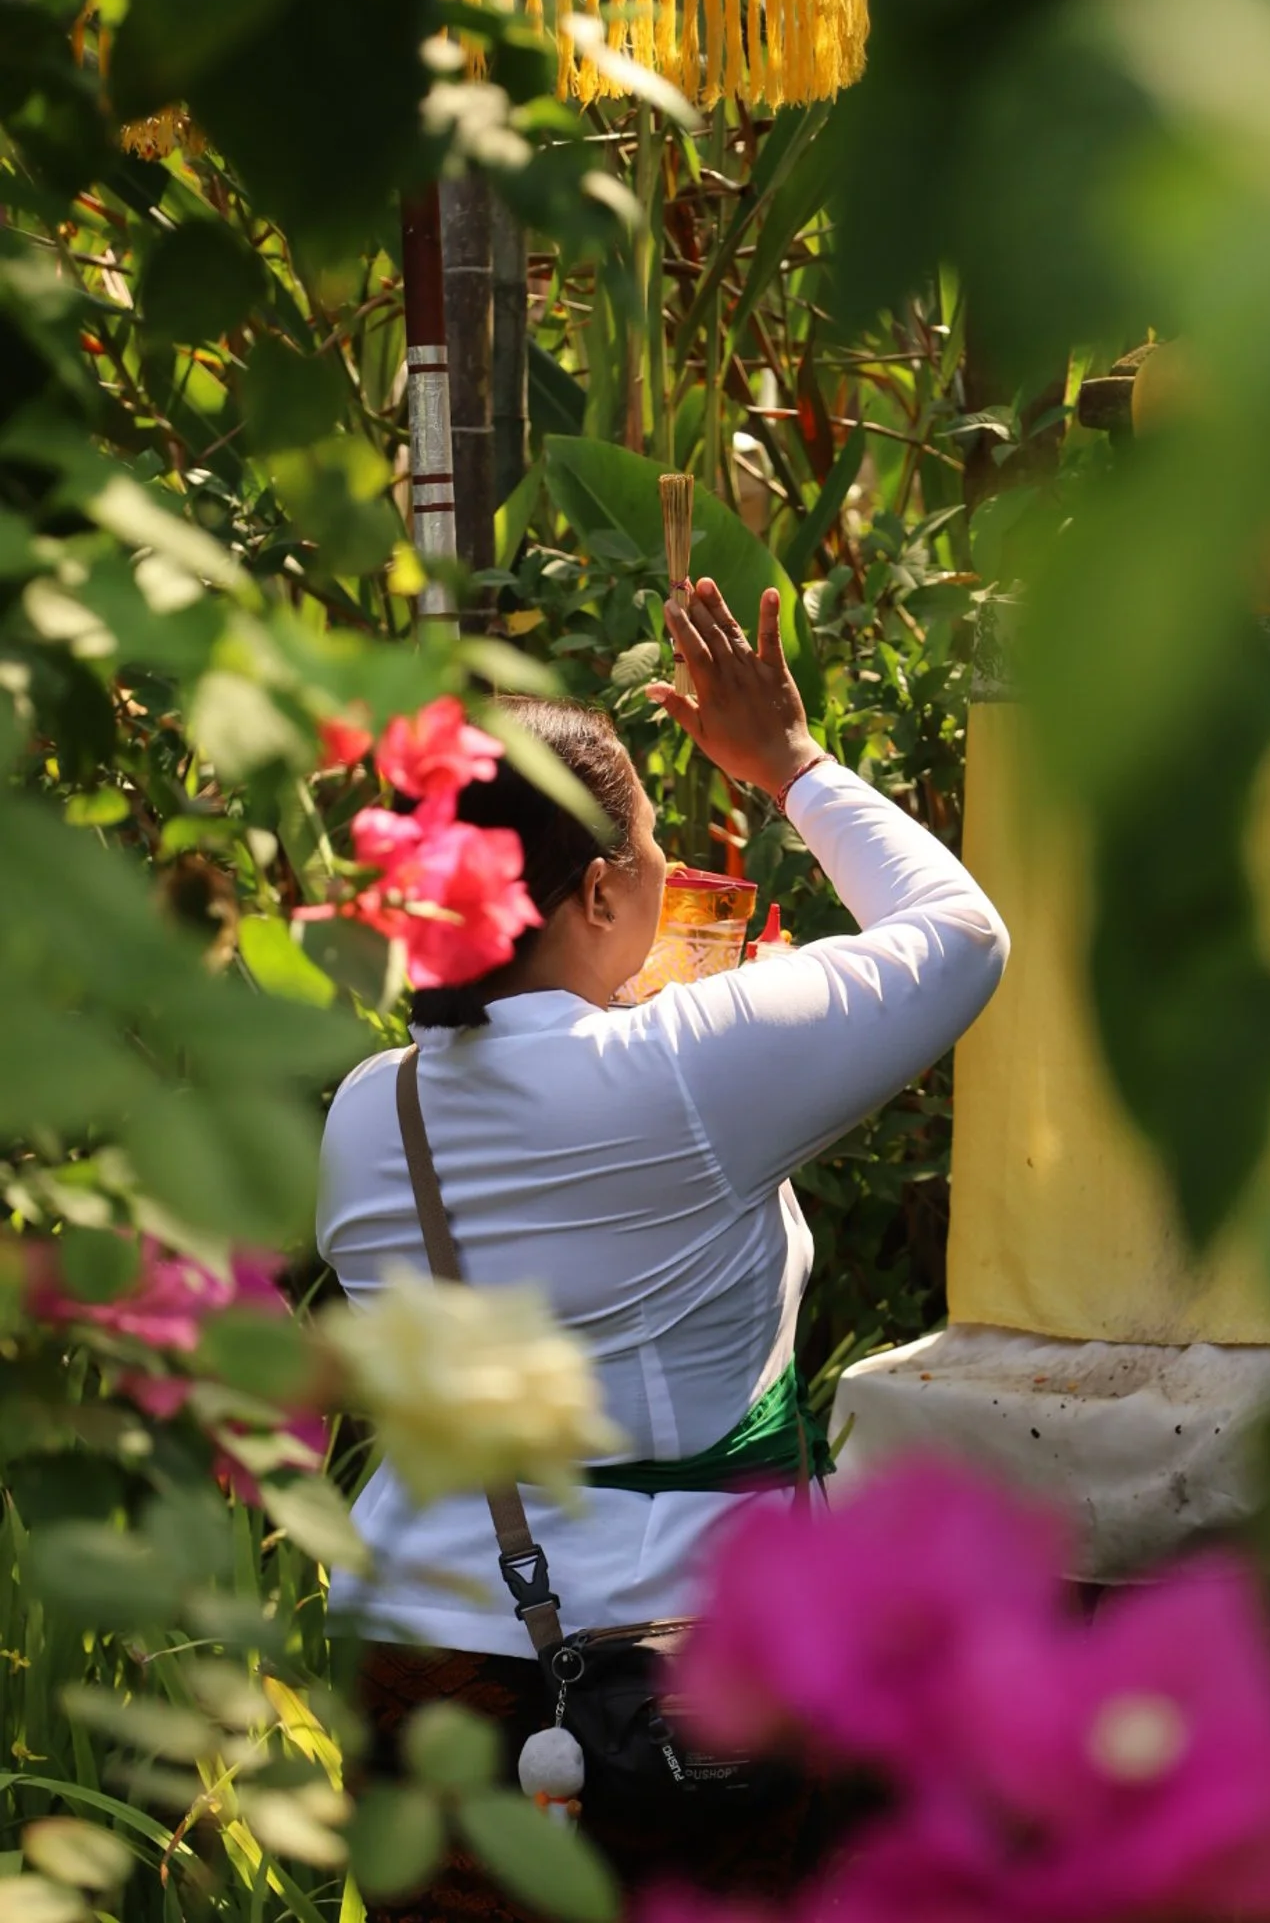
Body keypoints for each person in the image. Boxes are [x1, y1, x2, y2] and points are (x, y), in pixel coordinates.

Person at [318, 579, 1007, 1917]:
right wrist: (790, 763)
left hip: (424, 1662)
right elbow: (965, 939)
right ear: (594, 891)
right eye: (647, 855)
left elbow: (554, 1096)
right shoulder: (687, 1073)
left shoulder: (367, 1110)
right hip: (681, 1682)